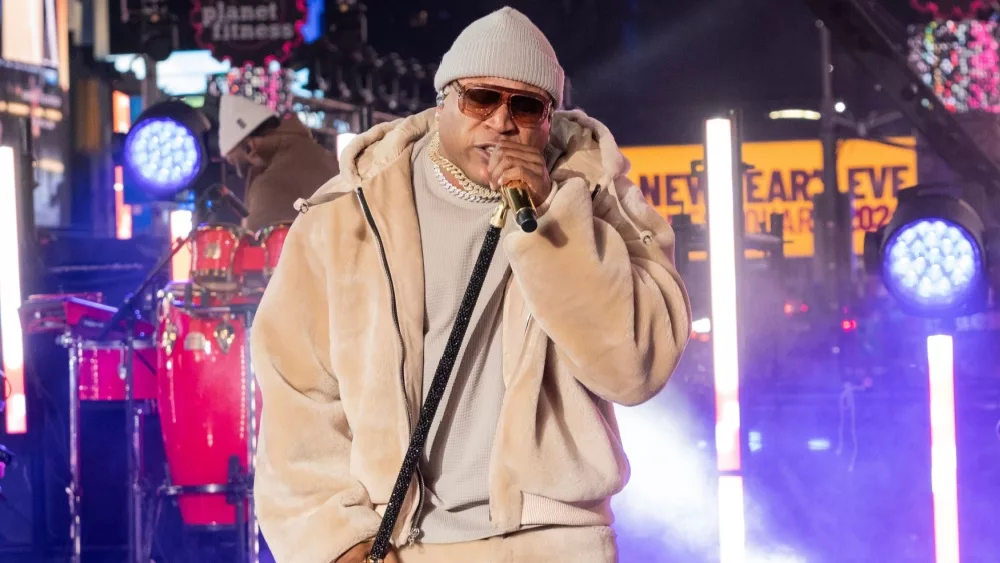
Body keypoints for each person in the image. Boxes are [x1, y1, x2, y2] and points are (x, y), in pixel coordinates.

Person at [250, 7, 691, 563]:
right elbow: (298, 389)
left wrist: (554, 218)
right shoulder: (350, 212)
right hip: (399, 544)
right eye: (481, 98)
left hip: (552, 542)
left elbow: (634, 369)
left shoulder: (600, 202)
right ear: (444, 102)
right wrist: (335, 539)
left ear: (549, 119)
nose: (502, 122)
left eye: (525, 106)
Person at [217, 95, 340, 232]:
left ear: (250, 148)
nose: (240, 174)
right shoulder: (322, 156)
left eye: (238, 165)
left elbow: (258, 241)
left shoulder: (270, 184)